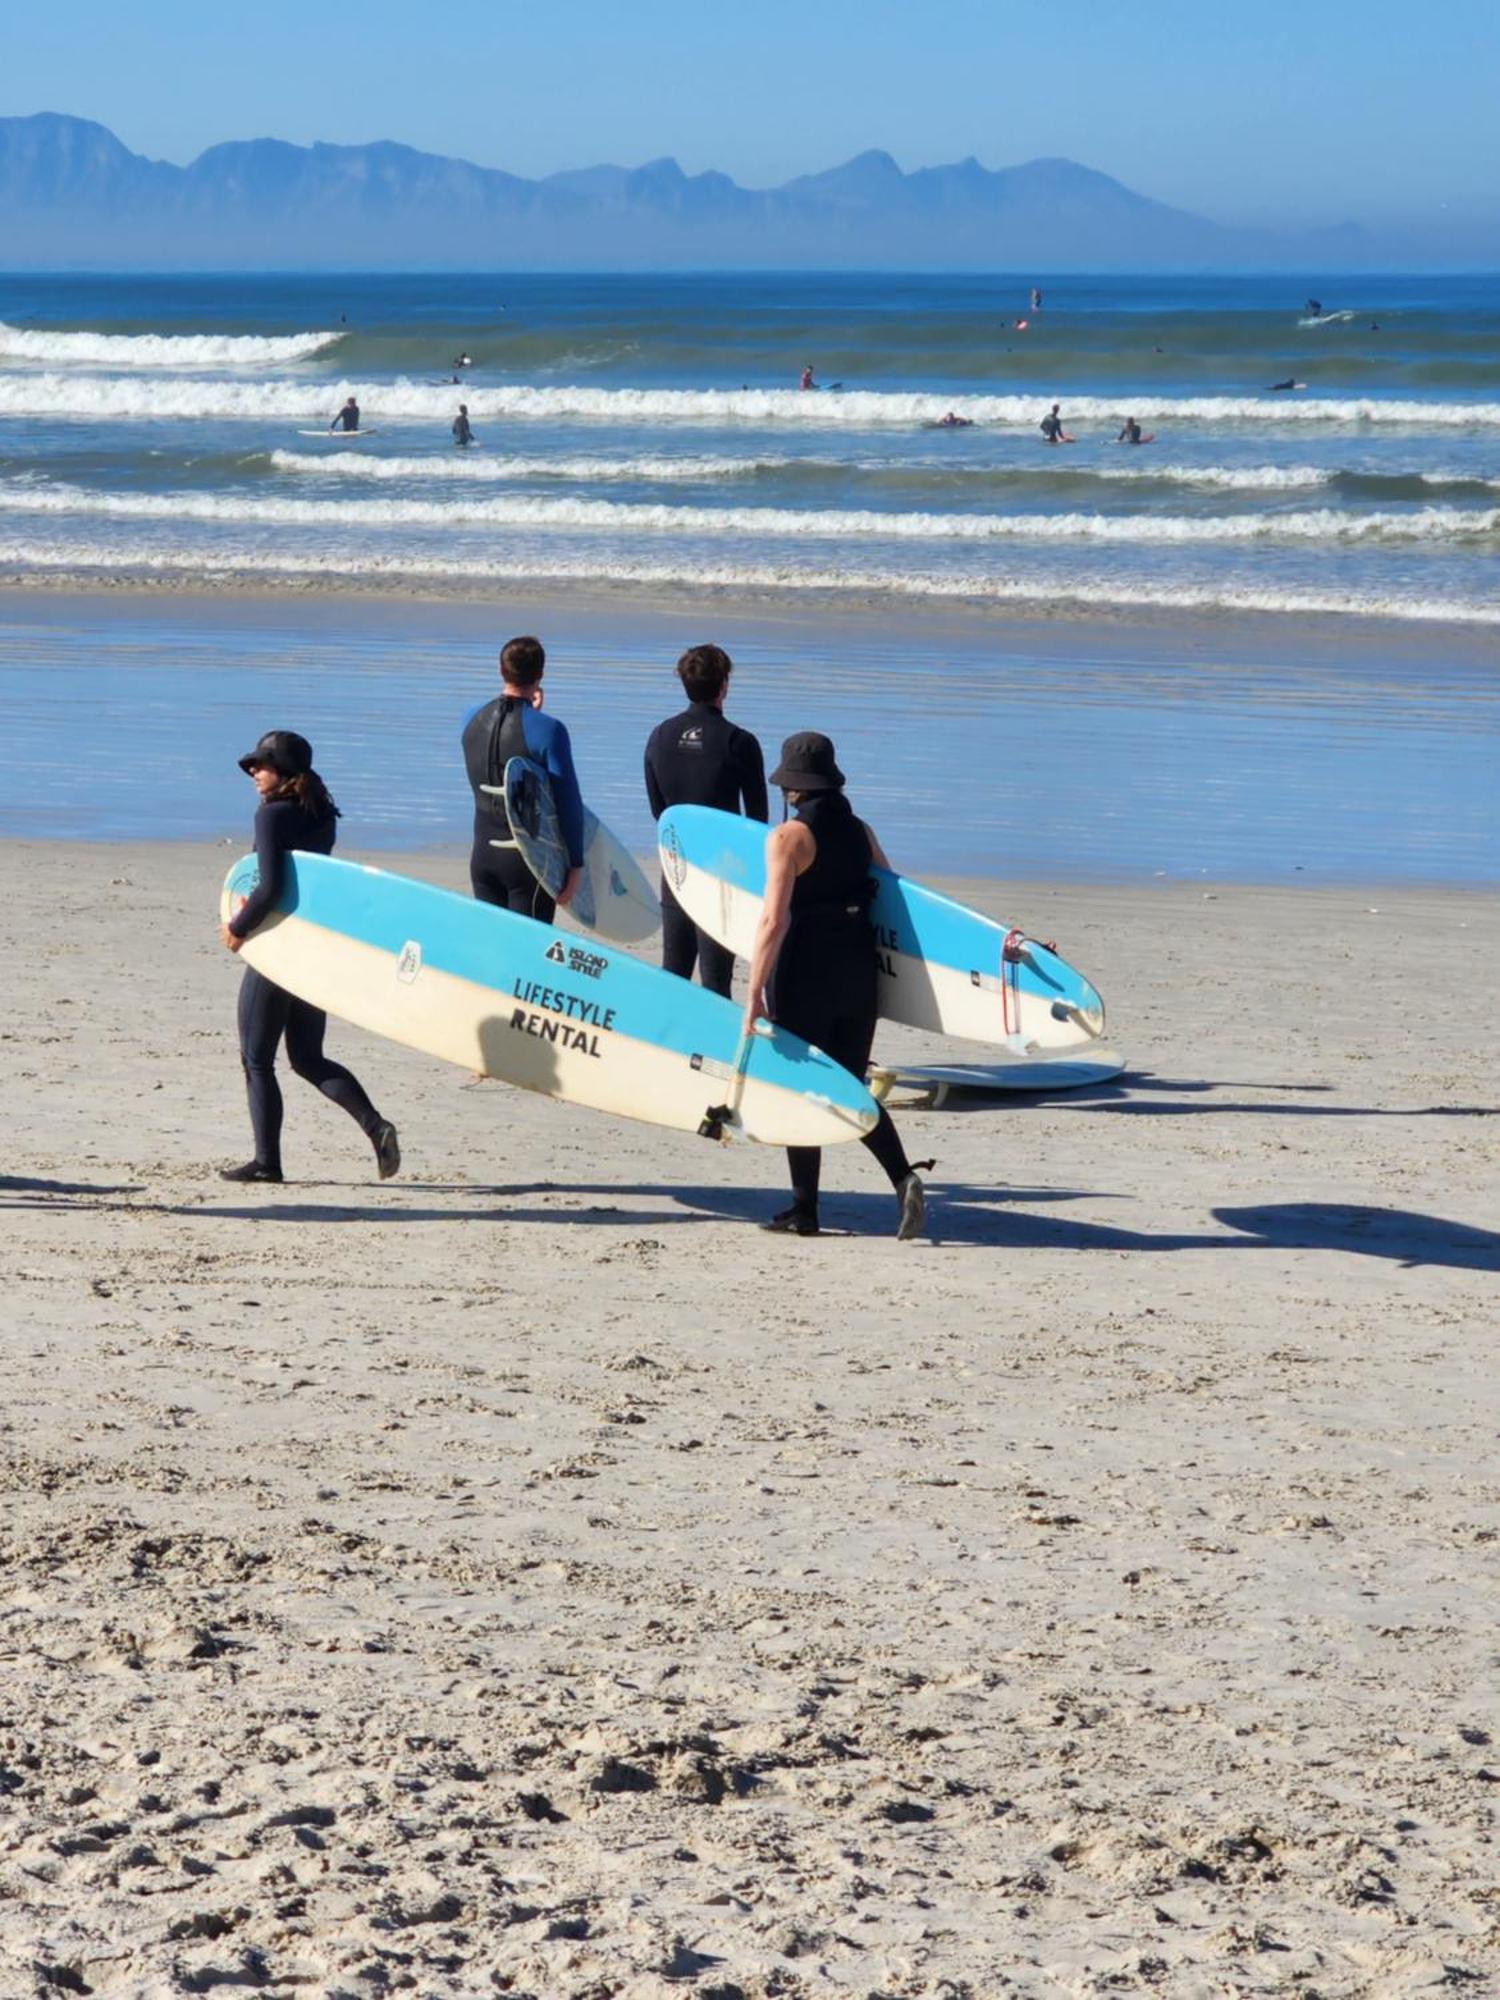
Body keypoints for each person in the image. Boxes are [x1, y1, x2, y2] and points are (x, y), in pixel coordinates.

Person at [743, 733, 930, 1241]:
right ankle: (903, 1176)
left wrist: (754, 991)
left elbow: (771, 922)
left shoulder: (787, 838)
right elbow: (892, 897)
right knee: (849, 1085)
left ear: (791, 787)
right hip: (856, 972)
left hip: (804, 971)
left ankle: (805, 1209)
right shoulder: (861, 831)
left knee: (801, 1087)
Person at [219, 731, 399, 1186]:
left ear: (282, 769)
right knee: (308, 1057)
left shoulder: (272, 815)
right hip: (315, 947)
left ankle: (266, 1163)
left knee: (256, 1059)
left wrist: (238, 929)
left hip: (278, 946)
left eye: (260, 765)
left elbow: (269, 887)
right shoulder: (320, 812)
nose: (254, 774)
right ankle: (375, 1126)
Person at [643, 644, 768, 996]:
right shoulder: (740, 742)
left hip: (677, 867)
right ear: (724, 685)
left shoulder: (659, 736)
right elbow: (757, 821)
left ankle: (668, 1046)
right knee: (716, 982)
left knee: (674, 973)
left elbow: (660, 811)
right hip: (721, 873)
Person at [461, 635, 582, 922]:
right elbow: (568, 803)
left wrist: (530, 713)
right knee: (528, 960)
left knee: (494, 952)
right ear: (540, 674)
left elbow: (504, 746)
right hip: (527, 863)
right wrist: (575, 865)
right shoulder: (550, 730)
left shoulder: (470, 717)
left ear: (501, 670)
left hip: (483, 857)